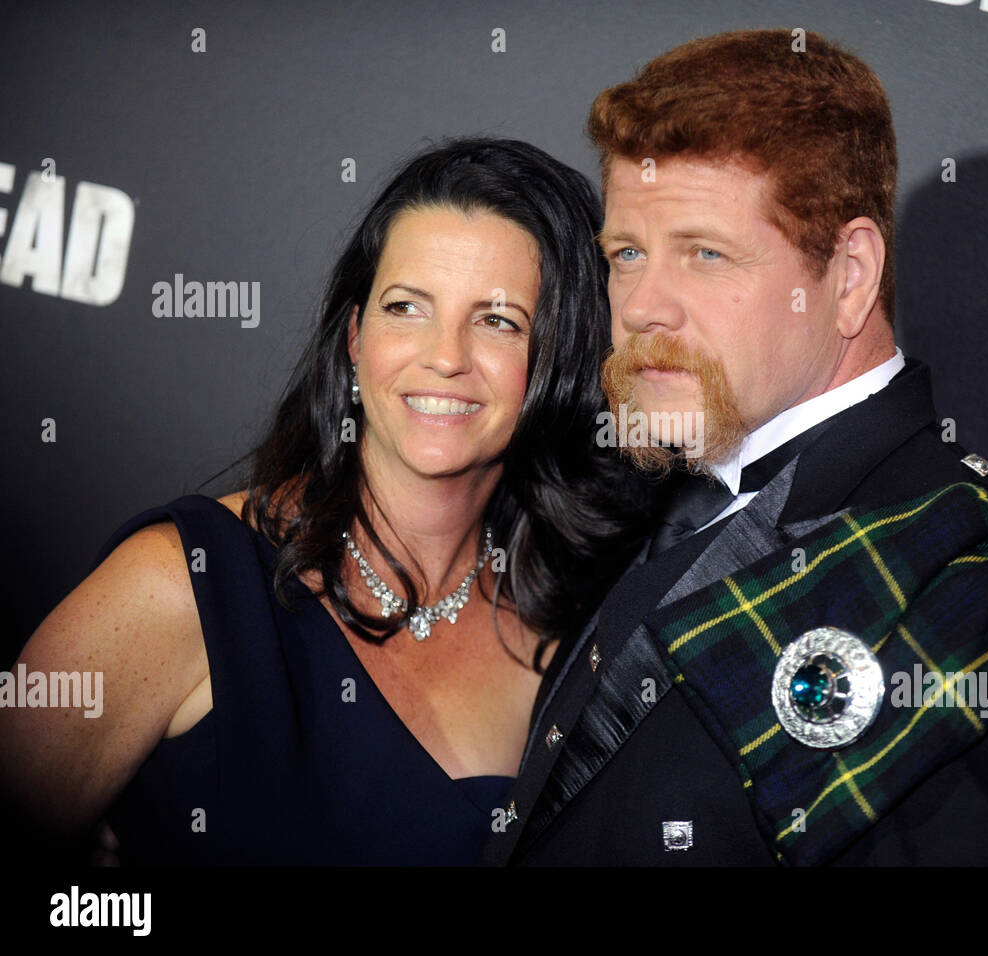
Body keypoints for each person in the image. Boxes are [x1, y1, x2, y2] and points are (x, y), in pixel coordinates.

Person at [480, 30, 988, 866]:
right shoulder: (661, 486)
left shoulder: (985, 594)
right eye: (627, 254)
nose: (645, 304)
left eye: (705, 253)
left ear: (851, 275)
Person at [0, 137, 652, 865]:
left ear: (556, 361)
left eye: (498, 320)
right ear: (354, 338)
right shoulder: (181, 584)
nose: (445, 356)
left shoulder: (570, 623)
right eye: (406, 307)